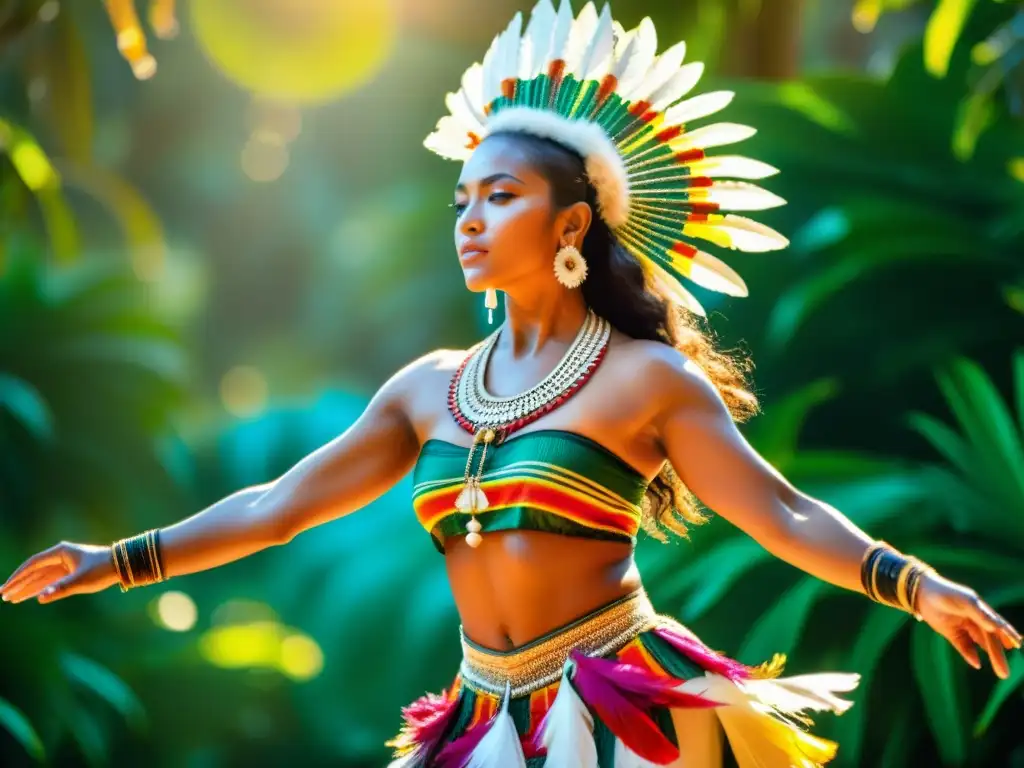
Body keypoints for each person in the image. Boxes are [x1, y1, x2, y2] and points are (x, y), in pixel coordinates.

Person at [3, 2, 1020, 766]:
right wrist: (122, 561)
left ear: (572, 224)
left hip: (625, 711)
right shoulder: (428, 388)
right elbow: (278, 507)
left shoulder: (645, 381)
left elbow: (784, 511)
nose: (469, 220)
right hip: (478, 720)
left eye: (501, 196)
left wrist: (914, 585)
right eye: (460, 199)